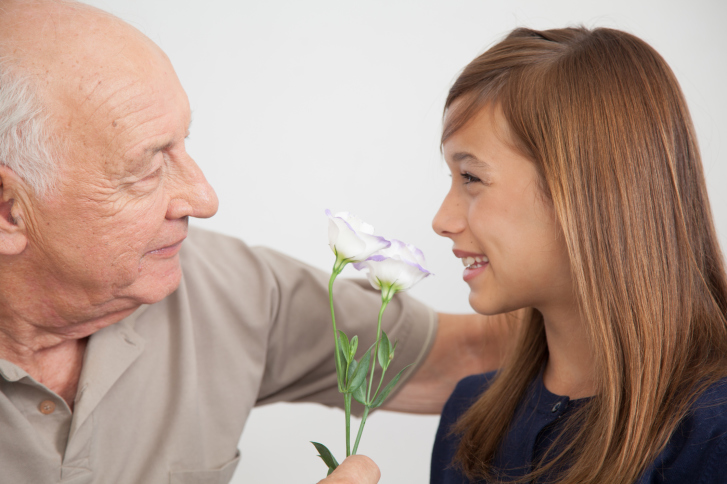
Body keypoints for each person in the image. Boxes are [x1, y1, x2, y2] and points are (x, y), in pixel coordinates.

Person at [0, 1, 514, 483]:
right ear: (8, 210)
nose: (204, 199)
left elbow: (470, 354)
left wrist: (581, 250)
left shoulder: (226, 286)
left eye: (183, 144)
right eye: (148, 167)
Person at [430, 27, 727, 483]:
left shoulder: (713, 431)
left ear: (588, 192)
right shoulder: (469, 420)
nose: (442, 220)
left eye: (470, 177)